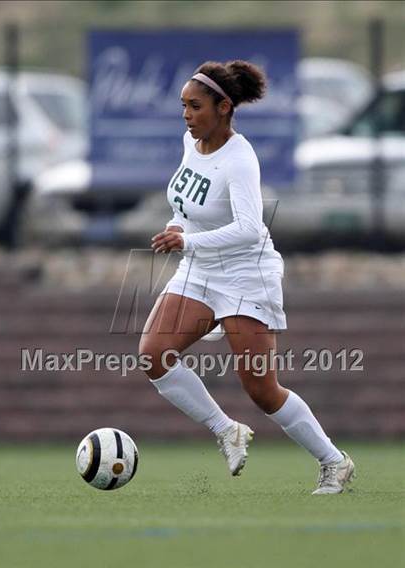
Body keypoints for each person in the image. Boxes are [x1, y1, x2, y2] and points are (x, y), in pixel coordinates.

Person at [139, 60, 355, 494]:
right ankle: (225, 430)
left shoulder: (239, 158)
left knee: (260, 388)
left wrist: (188, 243)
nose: (186, 115)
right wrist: (178, 226)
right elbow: (187, 206)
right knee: (154, 354)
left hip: (244, 274)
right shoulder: (190, 141)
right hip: (201, 268)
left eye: (195, 106)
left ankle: (335, 461)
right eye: (183, 106)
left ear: (223, 107)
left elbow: (249, 228)